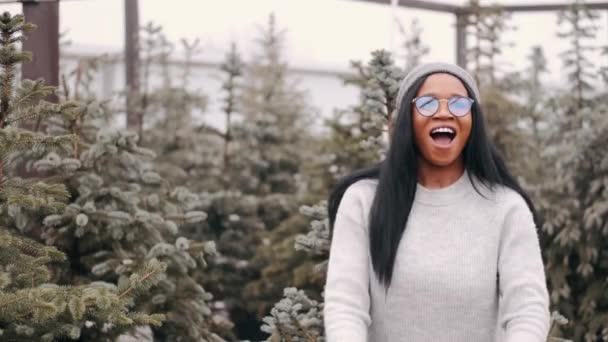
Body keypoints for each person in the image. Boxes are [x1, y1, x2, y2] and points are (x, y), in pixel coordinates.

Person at [323, 62, 550, 342]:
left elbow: (527, 309)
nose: (444, 112)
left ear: (473, 120)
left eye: (458, 104)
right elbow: (345, 306)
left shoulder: (506, 208)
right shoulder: (363, 200)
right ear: (407, 118)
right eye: (428, 103)